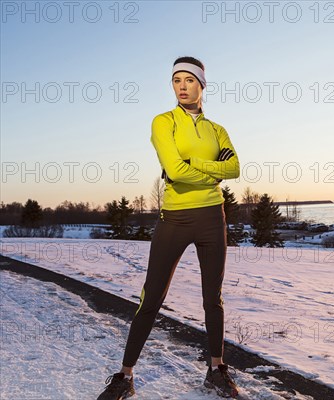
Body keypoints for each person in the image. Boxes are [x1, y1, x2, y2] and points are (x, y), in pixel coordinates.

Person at [97, 56, 241, 399]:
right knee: (151, 297)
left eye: (189, 80)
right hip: (174, 219)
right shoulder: (164, 122)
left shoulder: (217, 130)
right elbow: (175, 171)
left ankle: (216, 369)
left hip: (211, 217)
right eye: (176, 80)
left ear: (201, 84)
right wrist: (212, 170)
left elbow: (234, 168)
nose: (182, 86)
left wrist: (197, 163)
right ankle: (125, 376)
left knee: (213, 299)